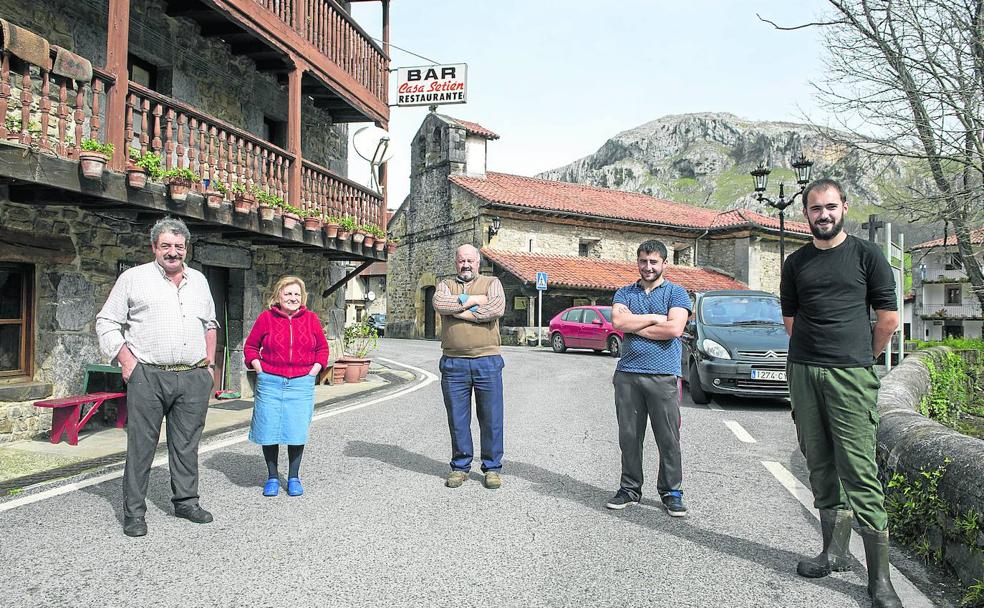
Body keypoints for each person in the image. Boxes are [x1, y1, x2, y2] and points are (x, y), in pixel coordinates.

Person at [780, 178, 901, 608]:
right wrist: (812, 359)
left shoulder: (868, 257)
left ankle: (880, 581)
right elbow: (791, 321)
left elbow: (888, 319)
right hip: (805, 372)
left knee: (859, 472)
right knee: (819, 464)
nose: (824, 214)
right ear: (806, 214)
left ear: (844, 208)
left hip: (851, 374)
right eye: (816, 208)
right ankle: (833, 552)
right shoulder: (795, 263)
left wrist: (859, 358)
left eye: (831, 206)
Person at [96, 217, 217, 538]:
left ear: (186, 249)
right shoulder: (133, 279)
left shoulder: (200, 281)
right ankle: (134, 513)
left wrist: (209, 366)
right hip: (147, 376)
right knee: (141, 447)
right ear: (154, 247)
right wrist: (126, 361)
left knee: (187, 444)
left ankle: (186, 501)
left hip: (192, 376)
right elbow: (106, 322)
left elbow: (210, 324)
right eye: (166, 246)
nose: (173, 252)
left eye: (179, 246)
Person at [607, 239, 691, 516]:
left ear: (664, 264)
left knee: (668, 438)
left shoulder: (677, 294)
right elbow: (619, 323)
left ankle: (671, 492)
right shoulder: (624, 292)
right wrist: (656, 318)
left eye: (654, 262)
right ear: (638, 262)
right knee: (629, 437)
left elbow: (674, 329)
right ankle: (630, 489)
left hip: (663, 375)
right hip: (628, 375)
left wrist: (637, 324)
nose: (648, 267)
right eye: (643, 261)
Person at [244, 276, 328, 497]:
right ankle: (272, 477)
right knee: (268, 430)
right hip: (270, 381)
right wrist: (258, 368)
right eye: (288, 294)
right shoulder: (266, 318)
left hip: (301, 382)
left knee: (296, 431)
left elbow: (322, 349)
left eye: (297, 294)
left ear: (302, 298)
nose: (292, 298)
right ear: (278, 296)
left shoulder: (311, 319)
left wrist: (314, 371)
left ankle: (293, 477)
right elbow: (251, 346)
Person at [432, 244, 506, 489]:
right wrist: (474, 302)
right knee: (457, 418)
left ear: (478, 262)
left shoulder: (492, 282)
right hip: (453, 362)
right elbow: (440, 304)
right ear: (456, 262)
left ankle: (492, 467)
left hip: (487, 360)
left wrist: (459, 310)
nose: (465, 265)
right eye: (461, 260)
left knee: (491, 417)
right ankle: (460, 466)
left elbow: (496, 308)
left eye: (470, 261)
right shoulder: (444, 285)